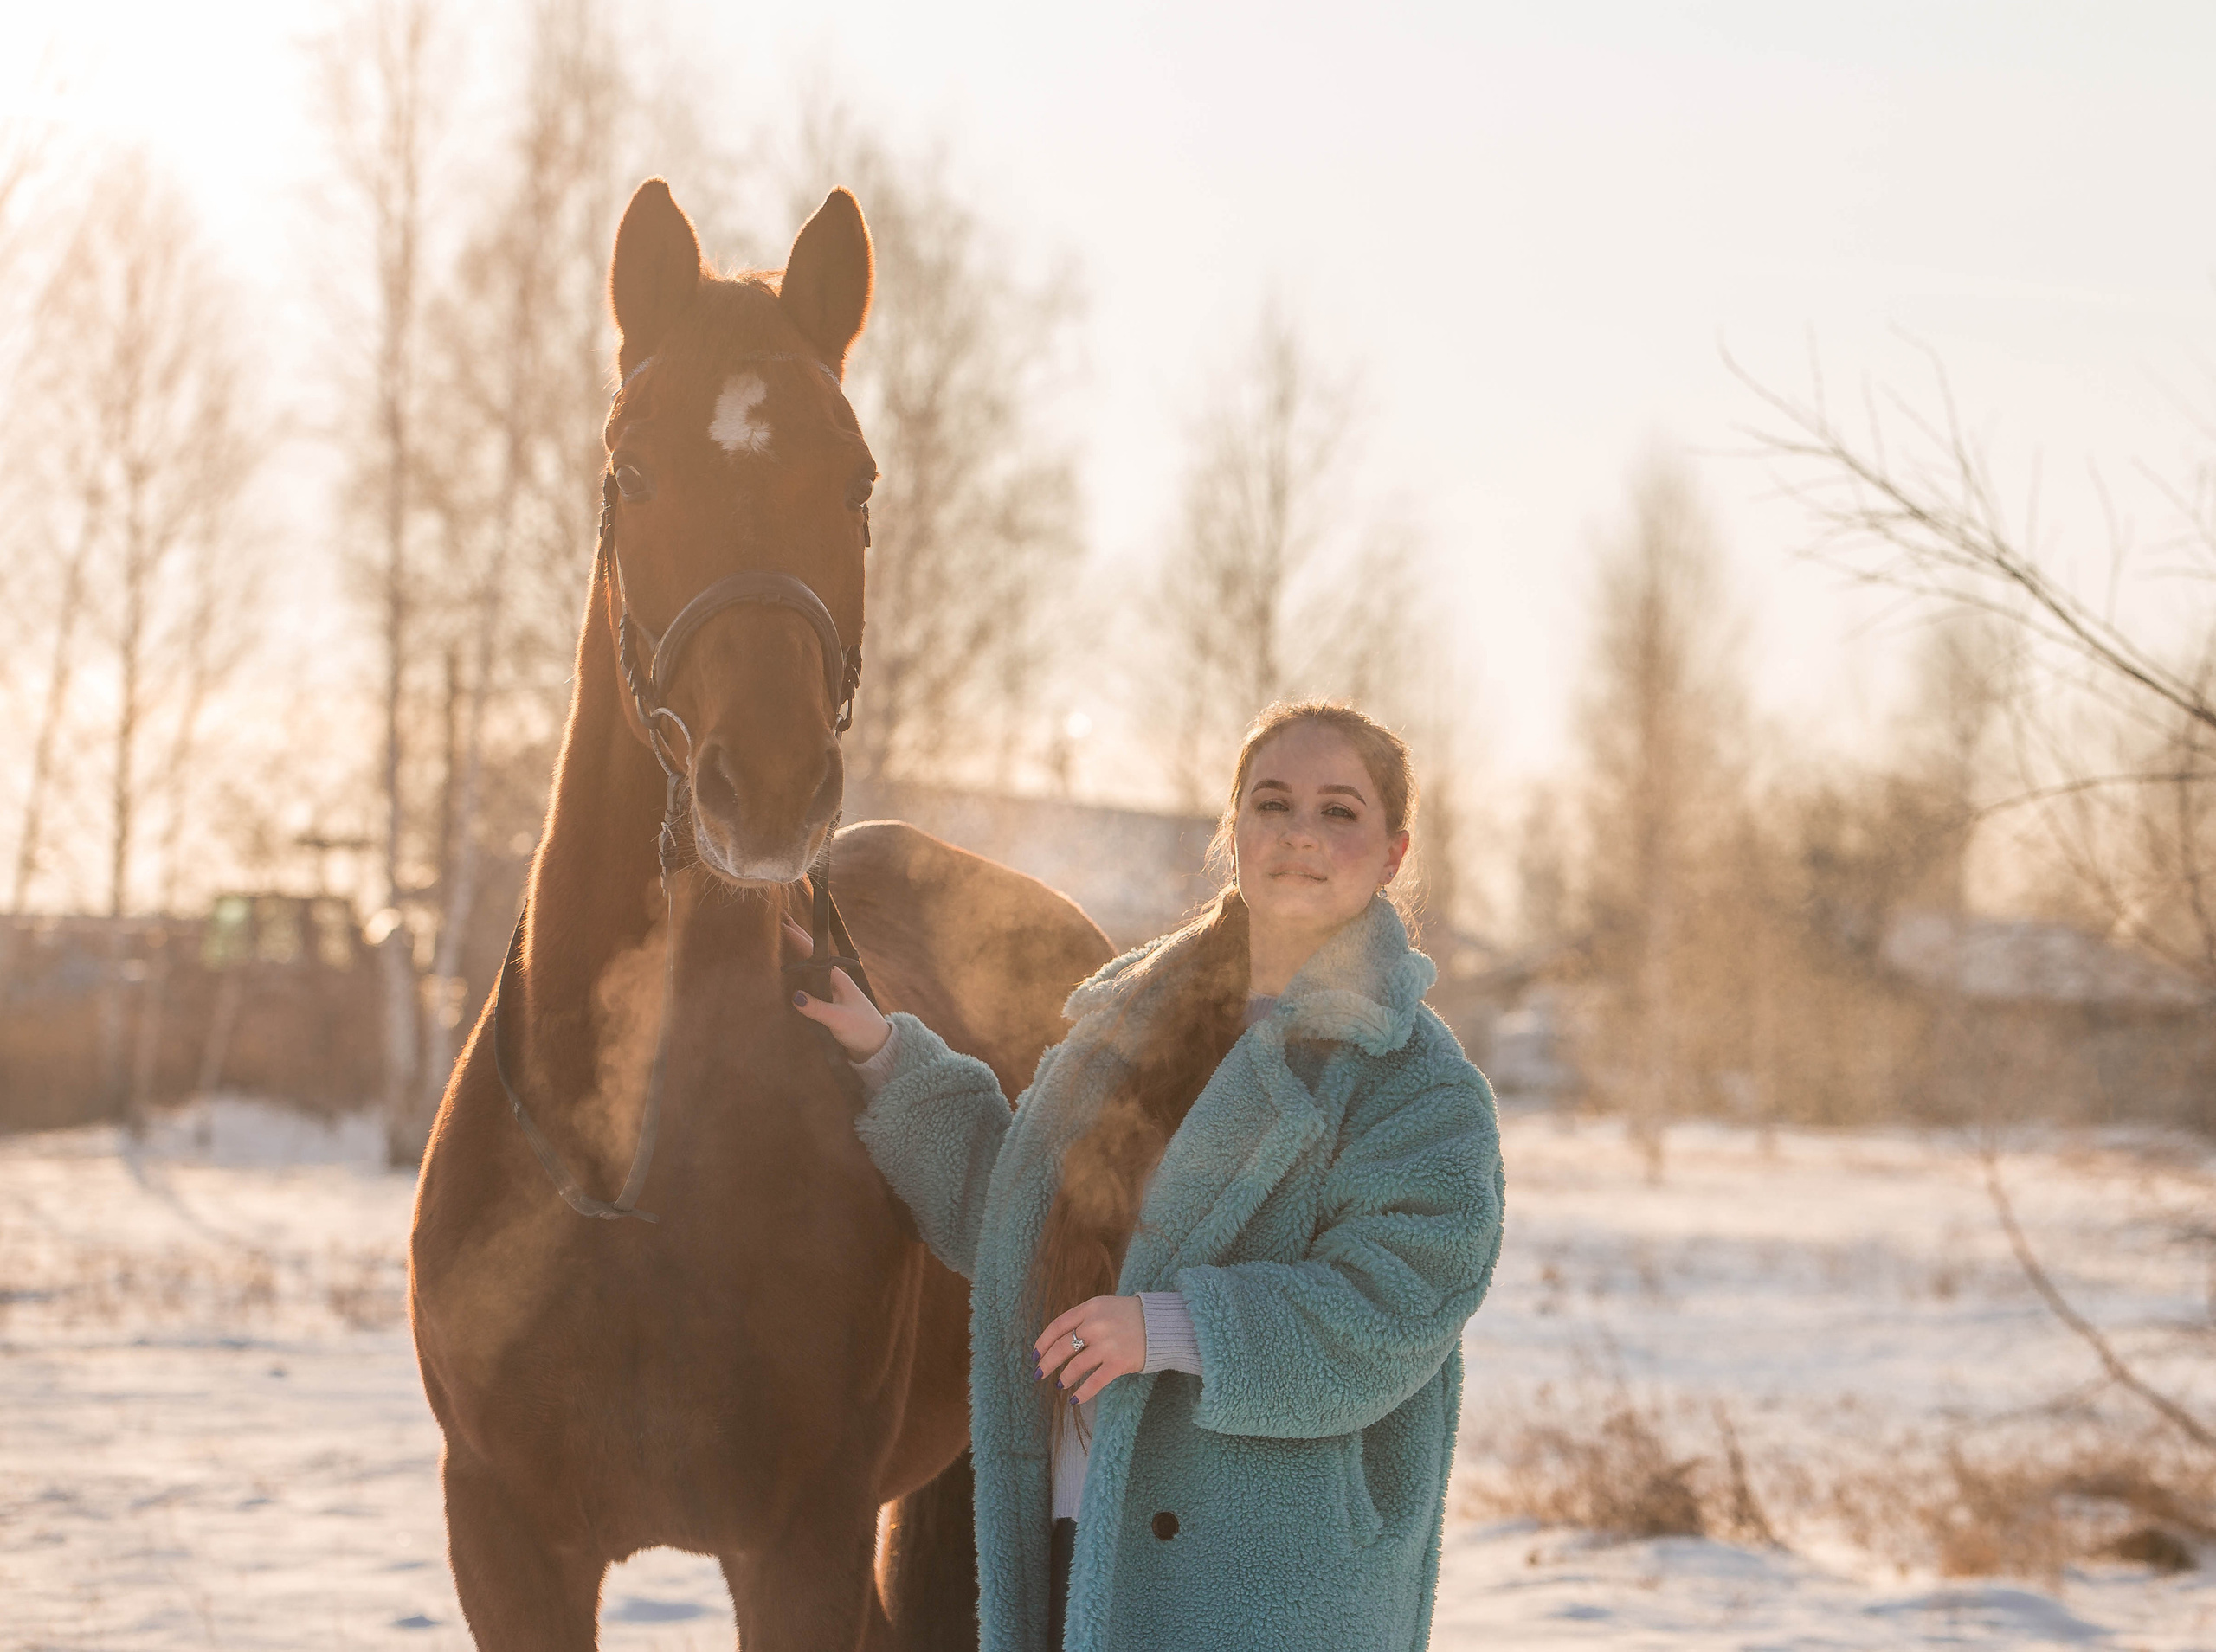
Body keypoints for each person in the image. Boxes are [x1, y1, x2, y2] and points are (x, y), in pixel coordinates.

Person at [789, 699, 1504, 1652]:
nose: (1299, 834)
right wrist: (883, 1052)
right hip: (1076, 1541)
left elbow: (1391, 1310)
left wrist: (1169, 1328)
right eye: (1272, 803)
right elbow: (1018, 1224)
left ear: (1392, 853)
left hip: (1267, 1591)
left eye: (1339, 811)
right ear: (1234, 830)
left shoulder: (1416, 1083)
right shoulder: (1127, 1028)